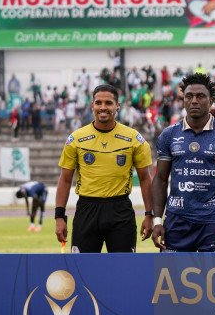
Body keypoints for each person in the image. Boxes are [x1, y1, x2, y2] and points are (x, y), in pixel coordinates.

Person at [151, 73, 215, 253]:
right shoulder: (169, 135)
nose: (194, 101)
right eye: (189, 96)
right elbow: (161, 179)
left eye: (200, 96)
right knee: (171, 271)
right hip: (176, 220)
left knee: (214, 272)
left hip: (213, 221)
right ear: (183, 101)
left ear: (211, 101)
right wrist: (157, 220)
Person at [54, 84, 154, 253]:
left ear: (117, 106)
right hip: (86, 210)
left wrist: (149, 214)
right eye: (98, 102)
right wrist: (59, 217)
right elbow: (65, 179)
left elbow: (145, 179)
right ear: (92, 105)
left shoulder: (133, 138)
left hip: (120, 210)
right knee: (82, 267)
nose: (103, 107)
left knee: (123, 267)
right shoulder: (76, 138)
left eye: (108, 103)